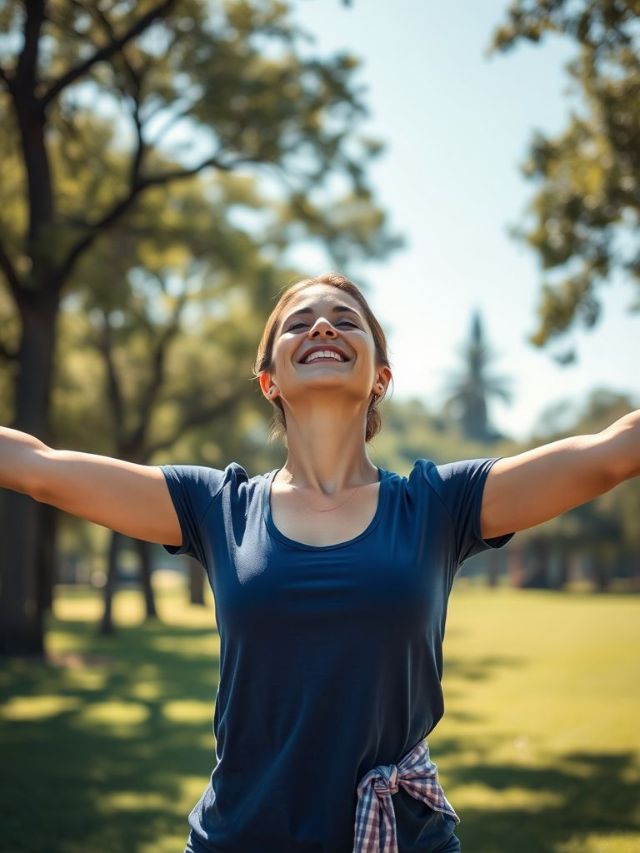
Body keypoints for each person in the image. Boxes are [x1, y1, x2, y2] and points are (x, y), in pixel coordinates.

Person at [1, 272, 638, 853]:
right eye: (299, 323)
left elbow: (610, 454)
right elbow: (40, 469)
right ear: (269, 380)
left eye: (345, 319)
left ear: (381, 376)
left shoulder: (439, 504)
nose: (323, 327)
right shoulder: (217, 507)